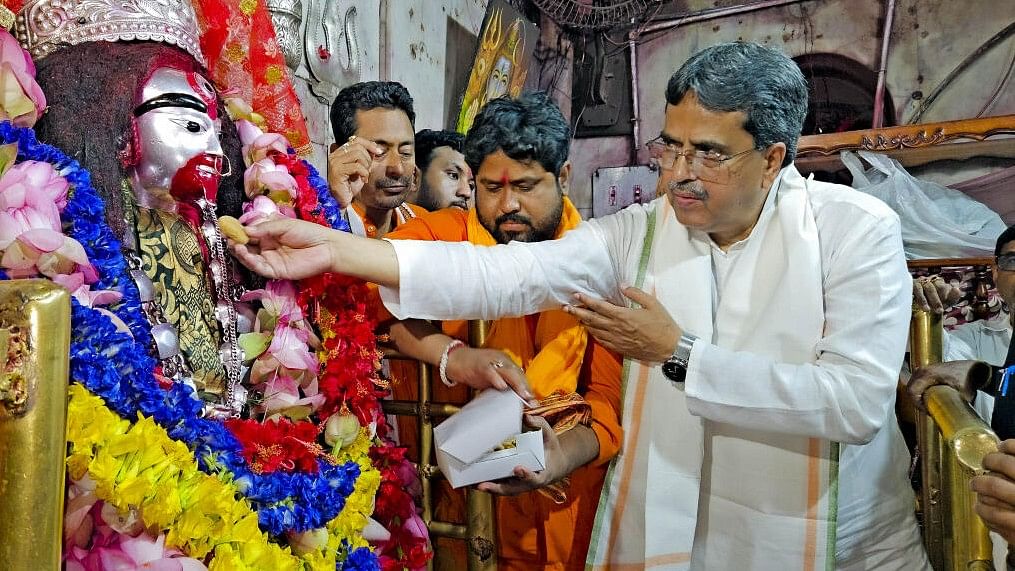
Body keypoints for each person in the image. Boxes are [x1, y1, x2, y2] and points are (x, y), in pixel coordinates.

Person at [229, 42, 929, 569]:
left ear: (772, 158)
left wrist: (677, 355)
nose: (677, 174)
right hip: (683, 536)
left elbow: (853, 402)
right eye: (670, 147)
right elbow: (503, 275)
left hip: (845, 542)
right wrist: (334, 247)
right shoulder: (644, 230)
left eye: (707, 154)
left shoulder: (853, 231)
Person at [381, 93, 622, 570]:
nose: (509, 205)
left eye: (527, 186)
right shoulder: (446, 235)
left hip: (565, 518)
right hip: (463, 522)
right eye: (492, 187)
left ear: (565, 178)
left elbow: (607, 402)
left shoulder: (600, 260)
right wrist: (453, 357)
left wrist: (557, 459)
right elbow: (375, 299)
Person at [326, 81, 427, 238]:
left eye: (406, 152)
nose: (398, 169)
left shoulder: (424, 225)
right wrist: (337, 205)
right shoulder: (309, 223)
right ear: (338, 154)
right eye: (378, 152)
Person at [409, 128, 473, 212]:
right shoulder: (389, 222)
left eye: (471, 186)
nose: (467, 192)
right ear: (414, 177)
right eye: (453, 175)